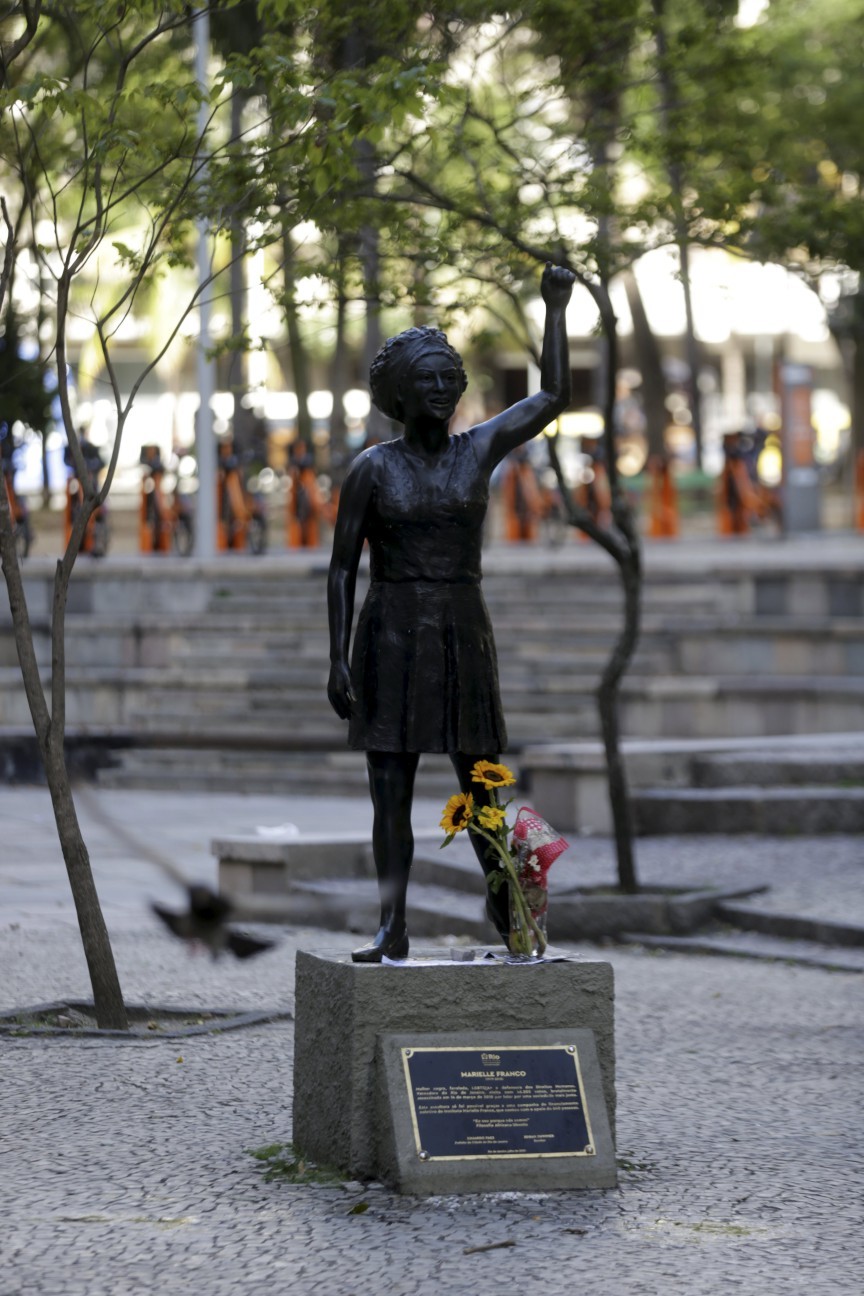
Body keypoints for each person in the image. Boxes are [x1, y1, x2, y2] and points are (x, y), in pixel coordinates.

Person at [327, 263, 575, 962]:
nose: (439, 387)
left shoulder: (480, 450)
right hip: (393, 632)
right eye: (424, 379)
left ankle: (512, 918)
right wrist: (337, 656)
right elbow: (343, 565)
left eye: (447, 376)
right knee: (390, 792)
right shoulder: (373, 469)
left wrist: (553, 305)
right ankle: (391, 924)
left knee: (483, 789)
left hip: (463, 630)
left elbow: (554, 394)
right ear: (399, 395)